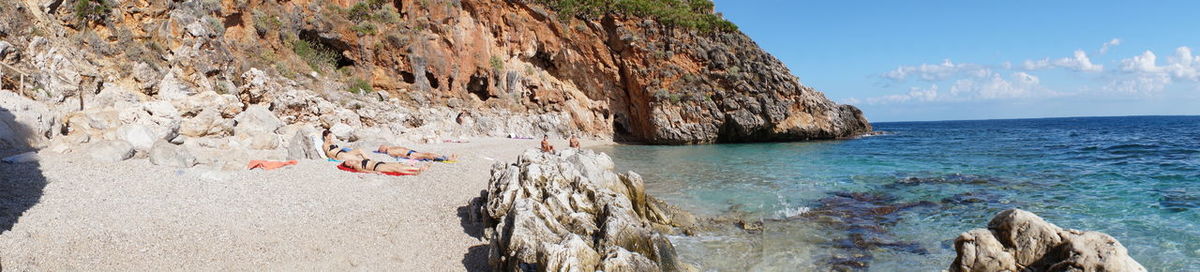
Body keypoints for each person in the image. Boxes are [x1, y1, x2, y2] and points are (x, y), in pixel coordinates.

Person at [340, 158, 428, 175]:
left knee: (399, 165)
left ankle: (417, 168)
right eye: (347, 162)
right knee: (396, 169)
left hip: (380, 163)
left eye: (347, 160)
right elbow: (363, 170)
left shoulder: (357, 161)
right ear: (350, 166)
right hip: (377, 167)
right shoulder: (356, 166)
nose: (349, 161)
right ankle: (414, 173)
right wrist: (375, 172)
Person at [377, 145, 458, 161]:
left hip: (410, 152)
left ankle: (445, 157)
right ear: (382, 149)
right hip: (410, 154)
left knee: (428, 154)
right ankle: (447, 158)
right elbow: (398, 155)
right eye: (382, 147)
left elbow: (402, 149)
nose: (384, 146)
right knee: (428, 155)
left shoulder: (391, 148)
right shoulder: (389, 151)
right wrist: (409, 157)